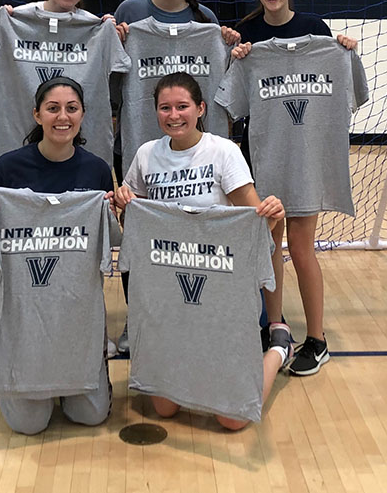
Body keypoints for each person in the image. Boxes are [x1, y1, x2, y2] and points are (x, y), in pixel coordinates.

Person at [111, 71, 290, 431]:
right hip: (168, 290)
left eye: (182, 106)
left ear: (201, 108)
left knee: (233, 420)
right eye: (165, 108)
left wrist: (274, 216)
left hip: (219, 285)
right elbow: (134, 228)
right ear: (156, 112)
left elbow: (253, 222)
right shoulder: (147, 155)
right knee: (163, 408)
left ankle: (278, 347)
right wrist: (124, 203)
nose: (174, 115)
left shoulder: (223, 152)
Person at [110, 0, 239, 353]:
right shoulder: (130, 14)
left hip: (196, 156)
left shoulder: (207, 23)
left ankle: (196, 312)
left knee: (191, 241)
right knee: (140, 239)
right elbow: (108, 71)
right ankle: (138, 320)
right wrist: (115, 36)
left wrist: (233, 45)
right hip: (143, 153)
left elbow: (223, 88)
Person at [231, 0, 358, 377]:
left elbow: (352, 94)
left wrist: (344, 52)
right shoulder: (246, 35)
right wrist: (238, 56)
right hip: (262, 155)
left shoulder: (318, 32)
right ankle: (276, 327)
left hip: (305, 159)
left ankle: (317, 339)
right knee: (268, 245)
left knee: (302, 248)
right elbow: (230, 103)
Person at [0, 77, 116, 435]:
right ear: (37, 115)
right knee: (28, 424)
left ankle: (89, 363)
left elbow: (114, 244)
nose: (62, 117)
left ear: (82, 115)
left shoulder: (96, 170)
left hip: (76, 315)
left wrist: (118, 211)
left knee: (91, 416)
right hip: (24, 319)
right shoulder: (8, 170)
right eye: (52, 109)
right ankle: (9, 356)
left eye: (71, 108)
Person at [0, 0, 129, 166]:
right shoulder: (15, 19)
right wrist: (5, 27)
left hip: (78, 147)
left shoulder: (97, 28)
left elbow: (117, 86)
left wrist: (112, 35)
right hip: (21, 146)